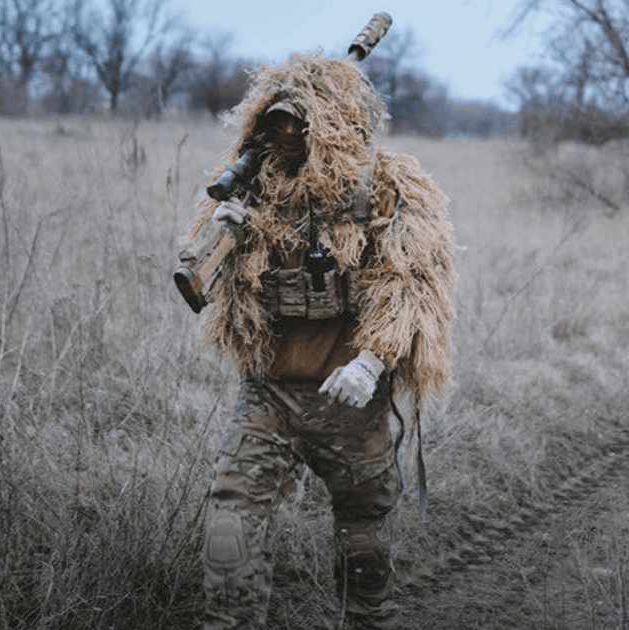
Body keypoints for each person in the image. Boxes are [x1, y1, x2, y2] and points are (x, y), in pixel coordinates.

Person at [183, 53, 456, 630]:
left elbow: (410, 289)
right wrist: (230, 239)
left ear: (331, 124)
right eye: (274, 122)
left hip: (350, 400)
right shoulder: (251, 187)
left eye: (297, 123)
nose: (285, 135)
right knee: (230, 526)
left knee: (364, 549)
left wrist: (370, 362)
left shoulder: (385, 188)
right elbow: (215, 288)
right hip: (272, 394)